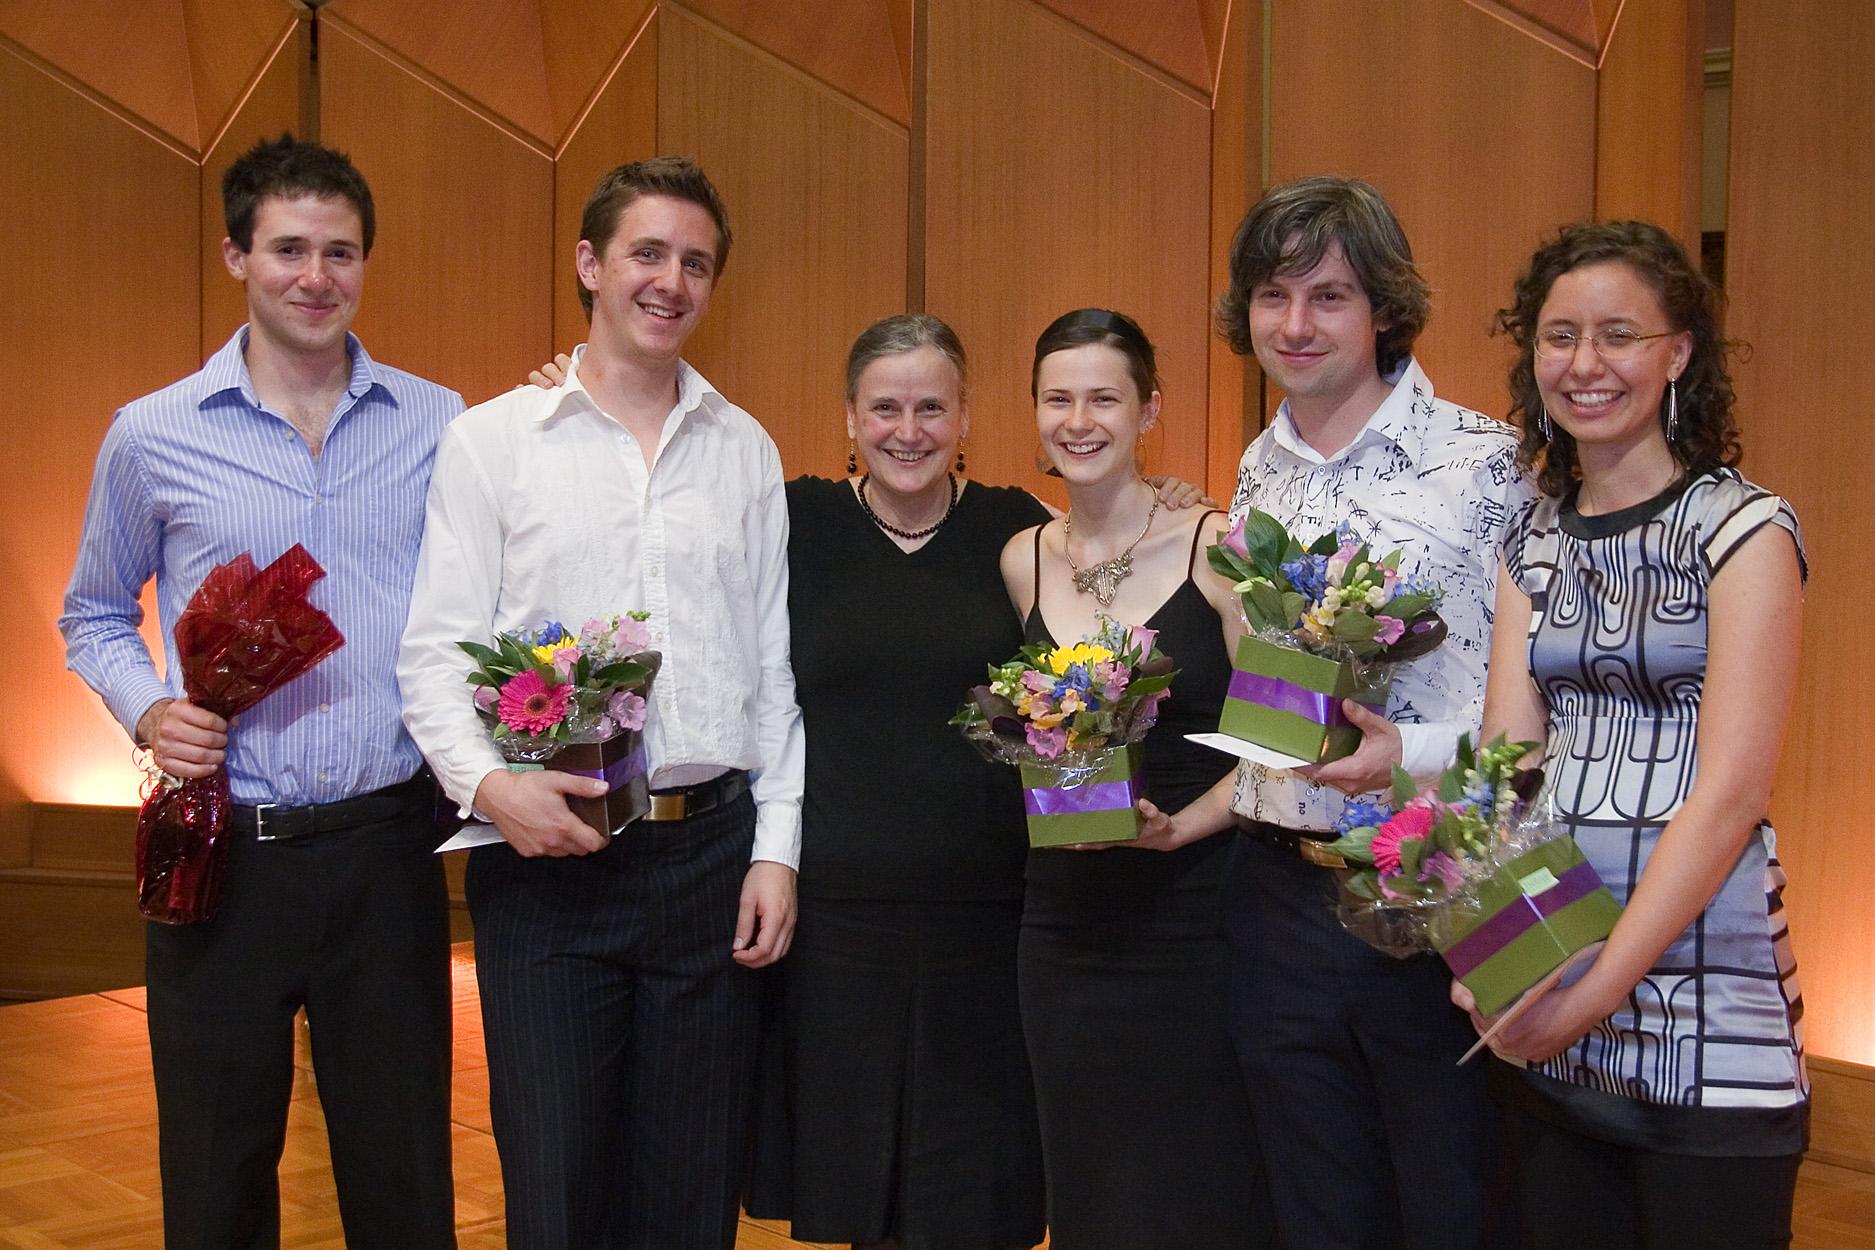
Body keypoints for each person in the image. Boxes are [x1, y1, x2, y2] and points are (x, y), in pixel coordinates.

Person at [59, 134, 461, 1250]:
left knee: (404, 1169)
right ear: (237, 254)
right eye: (288, 247)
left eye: (340, 250)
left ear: (367, 263)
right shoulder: (154, 432)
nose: (315, 274)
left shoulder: (443, 423)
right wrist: (146, 706)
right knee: (216, 1163)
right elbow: (91, 611)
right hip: (224, 853)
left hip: (386, 848)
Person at [396, 156, 803, 1250]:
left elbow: (775, 672)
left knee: (689, 1200)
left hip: (708, 859)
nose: (671, 280)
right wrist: (489, 784)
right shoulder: (492, 440)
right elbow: (431, 652)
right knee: (556, 1189)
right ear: (590, 262)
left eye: (696, 262)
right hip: (548, 865)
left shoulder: (747, 448)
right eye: (648, 253)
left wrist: (778, 847)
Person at [1460, 220, 1807, 1250]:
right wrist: (1490, 952)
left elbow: (1730, 793)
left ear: (1678, 352)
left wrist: (1592, 989)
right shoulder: (1533, 534)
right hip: (1552, 992)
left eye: (1619, 333)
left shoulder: (1745, 527)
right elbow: (1504, 767)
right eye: (1560, 335)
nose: (1585, 363)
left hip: (1710, 1013)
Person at [1214, 175, 1534, 1249]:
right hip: (1273, 890)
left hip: (1435, 884)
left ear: (1386, 307)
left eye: (1329, 295)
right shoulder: (1260, 467)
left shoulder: (1491, 465)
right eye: (1272, 295)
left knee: (1452, 1200)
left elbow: (1543, 703)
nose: (1294, 324)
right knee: (1311, 1207)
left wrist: (1416, 757)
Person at [745, 314, 1050, 1250]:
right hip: (836, 914)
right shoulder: (793, 522)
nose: (906, 430)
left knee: (972, 1192)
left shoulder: (1019, 531)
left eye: (930, 407)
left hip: (986, 915)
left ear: (965, 417)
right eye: (884, 407)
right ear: (848, 416)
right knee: (856, 1186)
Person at [999, 308, 1272, 1250]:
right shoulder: (1022, 559)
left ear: (1148, 408)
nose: (1079, 420)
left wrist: (1179, 829)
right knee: (1088, 1196)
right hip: (1062, 925)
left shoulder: (1219, 545)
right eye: (1057, 398)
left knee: (1197, 1194)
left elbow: (1283, 740)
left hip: (1195, 919)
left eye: (1104, 397)